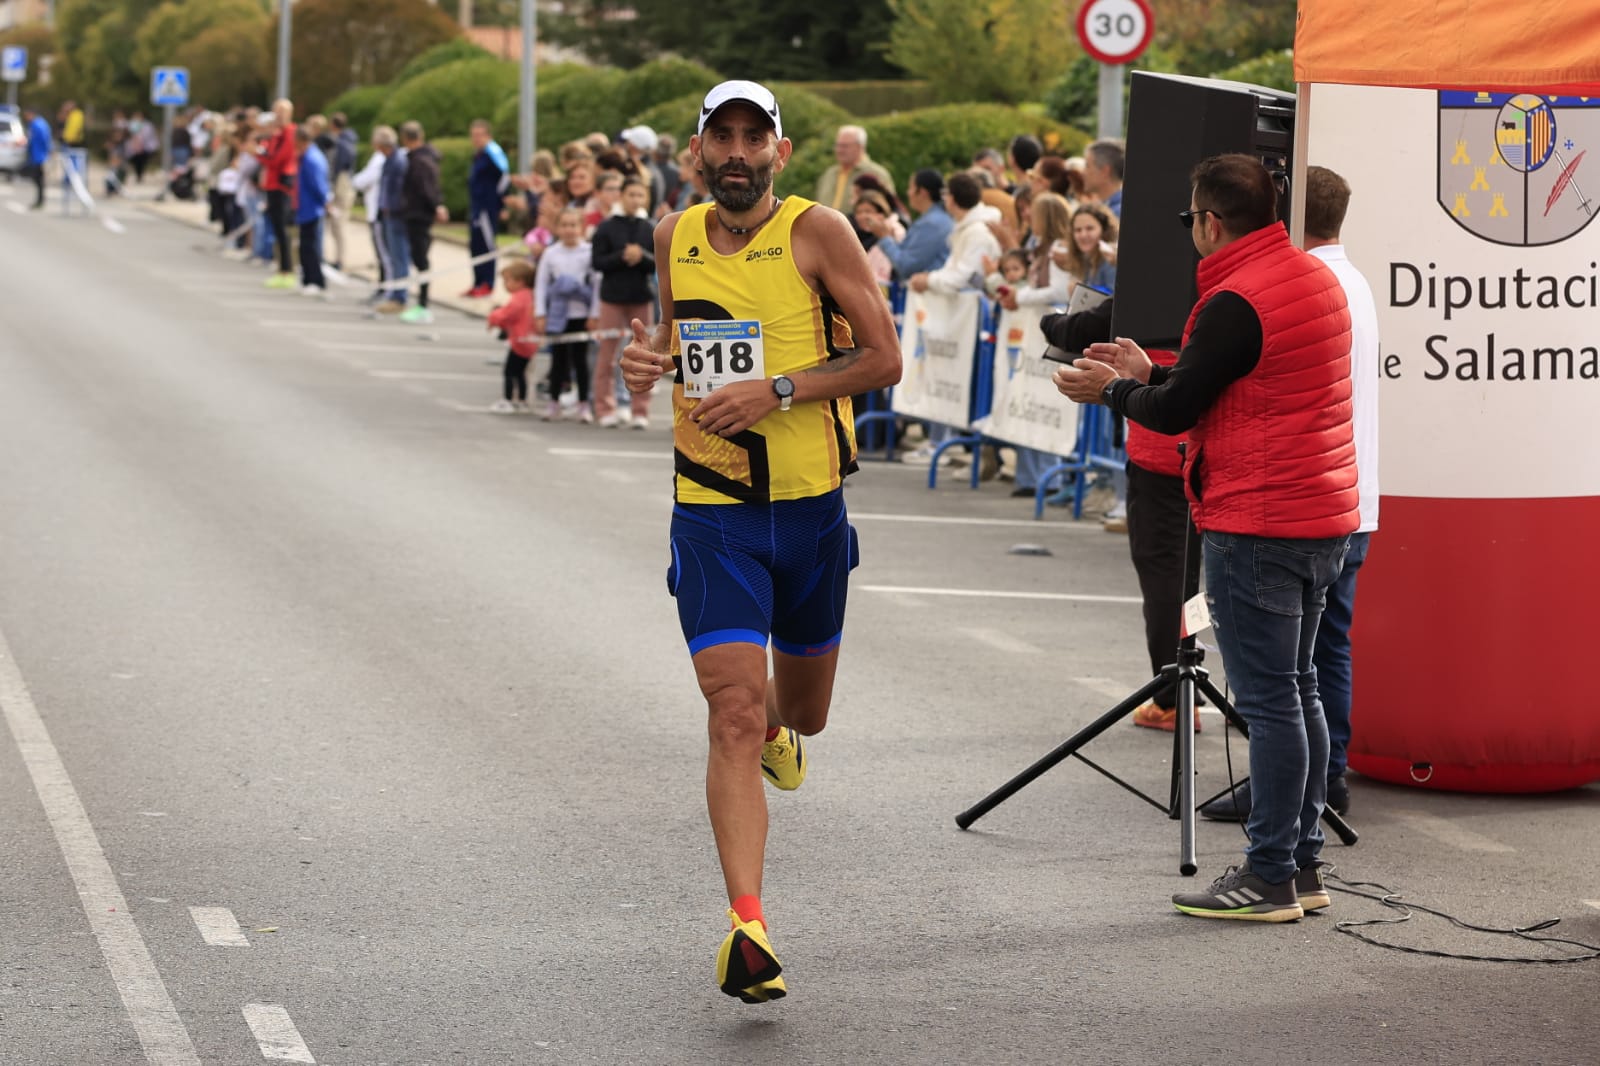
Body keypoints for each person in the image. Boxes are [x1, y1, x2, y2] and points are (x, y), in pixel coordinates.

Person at [619, 79, 900, 1004]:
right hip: (711, 511)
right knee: (732, 712)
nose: (736, 152)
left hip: (812, 511)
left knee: (799, 714)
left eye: (754, 137)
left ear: (780, 150)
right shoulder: (674, 234)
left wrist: (778, 390)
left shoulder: (819, 231)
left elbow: (884, 358)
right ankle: (749, 928)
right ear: (696, 151)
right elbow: (681, 338)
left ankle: (787, 726)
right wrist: (649, 358)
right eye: (720, 137)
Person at [1053, 153, 1357, 922]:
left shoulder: (1235, 297)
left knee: (1273, 703)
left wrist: (1114, 389)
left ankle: (1269, 874)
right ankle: (1303, 864)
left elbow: (1179, 409)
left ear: (1211, 221)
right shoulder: (1311, 278)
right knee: (1302, 692)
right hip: (1320, 513)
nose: (1191, 232)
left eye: (1191, 220)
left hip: (1257, 520)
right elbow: (1231, 385)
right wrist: (1145, 371)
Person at [1200, 164, 1378, 822]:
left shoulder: (1306, 285)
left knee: (1287, 682)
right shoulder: (1342, 283)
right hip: (1337, 495)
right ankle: (1310, 799)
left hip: (1294, 501)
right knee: (1310, 666)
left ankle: (1301, 802)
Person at [590, 176, 656, 428]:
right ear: (622, 196)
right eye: (631, 194)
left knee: (644, 357)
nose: (635, 200)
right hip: (612, 298)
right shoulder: (607, 227)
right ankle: (605, 407)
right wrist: (621, 256)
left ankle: (640, 410)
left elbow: (658, 264)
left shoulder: (650, 227)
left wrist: (642, 256)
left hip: (641, 297)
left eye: (640, 195)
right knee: (607, 355)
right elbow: (597, 262)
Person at [533, 206, 600, 421]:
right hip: (558, 315)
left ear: (581, 227)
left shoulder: (589, 252)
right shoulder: (551, 253)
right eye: (564, 225)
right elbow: (541, 284)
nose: (569, 229)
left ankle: (583, 404)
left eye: (573, 225)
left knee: (581, 361)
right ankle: (554, 402)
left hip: (580, 313)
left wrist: (594, 314)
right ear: (557, 228)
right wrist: (540, 313)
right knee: (558, 360)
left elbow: (596, 284)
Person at [909, 172, 1001, 295]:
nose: (944, 199)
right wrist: (929, 277)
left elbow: (965, 278)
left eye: (946, 194)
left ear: (951, 199)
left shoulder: (978, 232)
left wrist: (929, 280)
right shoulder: (965, 228)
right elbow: (953, 269)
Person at [854, 168, 952, 282]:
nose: (908, 193)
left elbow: (907, 266)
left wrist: (885, 238)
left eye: (911, 188)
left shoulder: (931, 224)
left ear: (922, 192)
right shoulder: (936, 219)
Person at [398, 122, 446, 325]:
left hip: (419, 214)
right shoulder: (420, 159)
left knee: (421, 259)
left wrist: (437, 205)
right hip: (416, 213)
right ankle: (421, 303)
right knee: (419, 259)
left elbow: (428, 188)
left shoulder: (420, 161)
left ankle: (423, 305)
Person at [487, 260, 540, 413]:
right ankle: (522, 400)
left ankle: (507, 399)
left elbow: (508, 314)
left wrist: (493, 317)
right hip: (530, 340)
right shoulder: (531, 296)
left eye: (507, 281)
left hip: (520, 340)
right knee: (521, 372)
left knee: (509, 371)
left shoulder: (519, 298)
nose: (505, 285)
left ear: (520, 282)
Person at [465, 119, 510, 298]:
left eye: (479, 135)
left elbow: (504, 178)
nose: (475, 139)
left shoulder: (493, 152)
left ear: (488, 136)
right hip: (476, 208)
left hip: (487, 208)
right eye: (473, 135)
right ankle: (477, 282)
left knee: (487, 246)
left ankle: (487, 283)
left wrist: (499, 203)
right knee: (475, 246)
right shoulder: (479, 154)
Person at [259, 99, 299, 290]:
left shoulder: (290, 133)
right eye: (276, 112)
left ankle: (287, 270)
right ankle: (281, 268)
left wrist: (260, 155)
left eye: (281, 112)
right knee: (277, 229)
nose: (278, 116)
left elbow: (277, 158)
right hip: (272, 185)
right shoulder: (277, 134)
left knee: (283, 230)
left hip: (282, 187)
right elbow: (267, 154)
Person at [352, 126, 393, 303]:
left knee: (384, 254)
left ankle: (387, 290)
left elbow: (361, 181)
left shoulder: (380, 160)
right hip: (376, 211)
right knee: (382, 254)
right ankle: (384, 287)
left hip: (378, 212)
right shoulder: (382, 159)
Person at [814, 124, 894, 212]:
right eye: (837, 145)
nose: (839, 150)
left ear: (860, 147)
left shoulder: (876, 174)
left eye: (845, 146)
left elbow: (887, 209)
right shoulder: (829, 173)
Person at [375, 126, 411, 314]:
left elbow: (398, 191)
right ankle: (395, 292)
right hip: (389, 214)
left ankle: (400, 296)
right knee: (393, 256)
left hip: (396, 216)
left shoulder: (397, 161)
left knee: (399, 256)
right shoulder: (390, 160)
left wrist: (391, 208)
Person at [294, 125, 330, 298]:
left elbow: (318, 185)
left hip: (312, 208)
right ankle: (308, 279)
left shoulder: (311, 158)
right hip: (306, 207)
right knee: (306, 246)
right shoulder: (307, 156)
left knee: (311, 247)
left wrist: (326, 202)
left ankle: (316, 280)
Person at [326, 112, 358, 272]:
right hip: (341, 185)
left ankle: (340, 259)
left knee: (339, 224)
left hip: (341, 187)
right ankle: (337, 257)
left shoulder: (343, 144)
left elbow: (341, 165)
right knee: (335, 225)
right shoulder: (344, 142)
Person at [1083, 138, 1125, 217]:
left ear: (1105, 171)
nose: (1083, 172)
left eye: (1087, 166)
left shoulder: (1116, 214)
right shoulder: (1106, 207)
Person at [21, 105, 51, 210]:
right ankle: (39, 201)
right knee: (38, 180)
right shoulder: (37, 124)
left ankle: (40, 201)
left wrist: (47, 153)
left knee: (39, 180)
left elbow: (44, 140)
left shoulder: (37, 125)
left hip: (39, 156)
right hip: (36, 156)